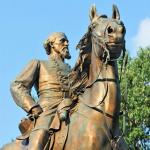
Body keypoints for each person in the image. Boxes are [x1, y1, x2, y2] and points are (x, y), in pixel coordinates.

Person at [10, 32, 72, 150]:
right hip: (48, 109)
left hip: (72, 107)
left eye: (67, 41)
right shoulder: (39, 64)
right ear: (52, 44)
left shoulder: (73, 70)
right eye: (62, 40)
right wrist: (33, 107)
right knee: (40, 137)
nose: (67, 43)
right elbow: (17, 85)